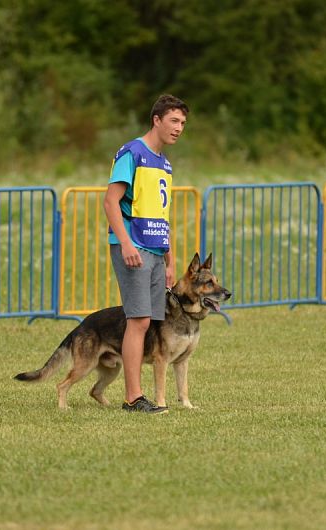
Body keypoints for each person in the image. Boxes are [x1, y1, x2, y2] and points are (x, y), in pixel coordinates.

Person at [103, 94, 189, 414]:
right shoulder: (132, 152)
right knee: (137, 321)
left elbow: (161, 215)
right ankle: (133, 398)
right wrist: (125, 243)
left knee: (147, 323)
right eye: (173, 121)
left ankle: (136, 396)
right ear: (156, 119)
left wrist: (170, 260)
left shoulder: (164, 163)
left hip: (155, 249)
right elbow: (111, 202)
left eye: (182, 123)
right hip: (133, 248)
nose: (178, 128)